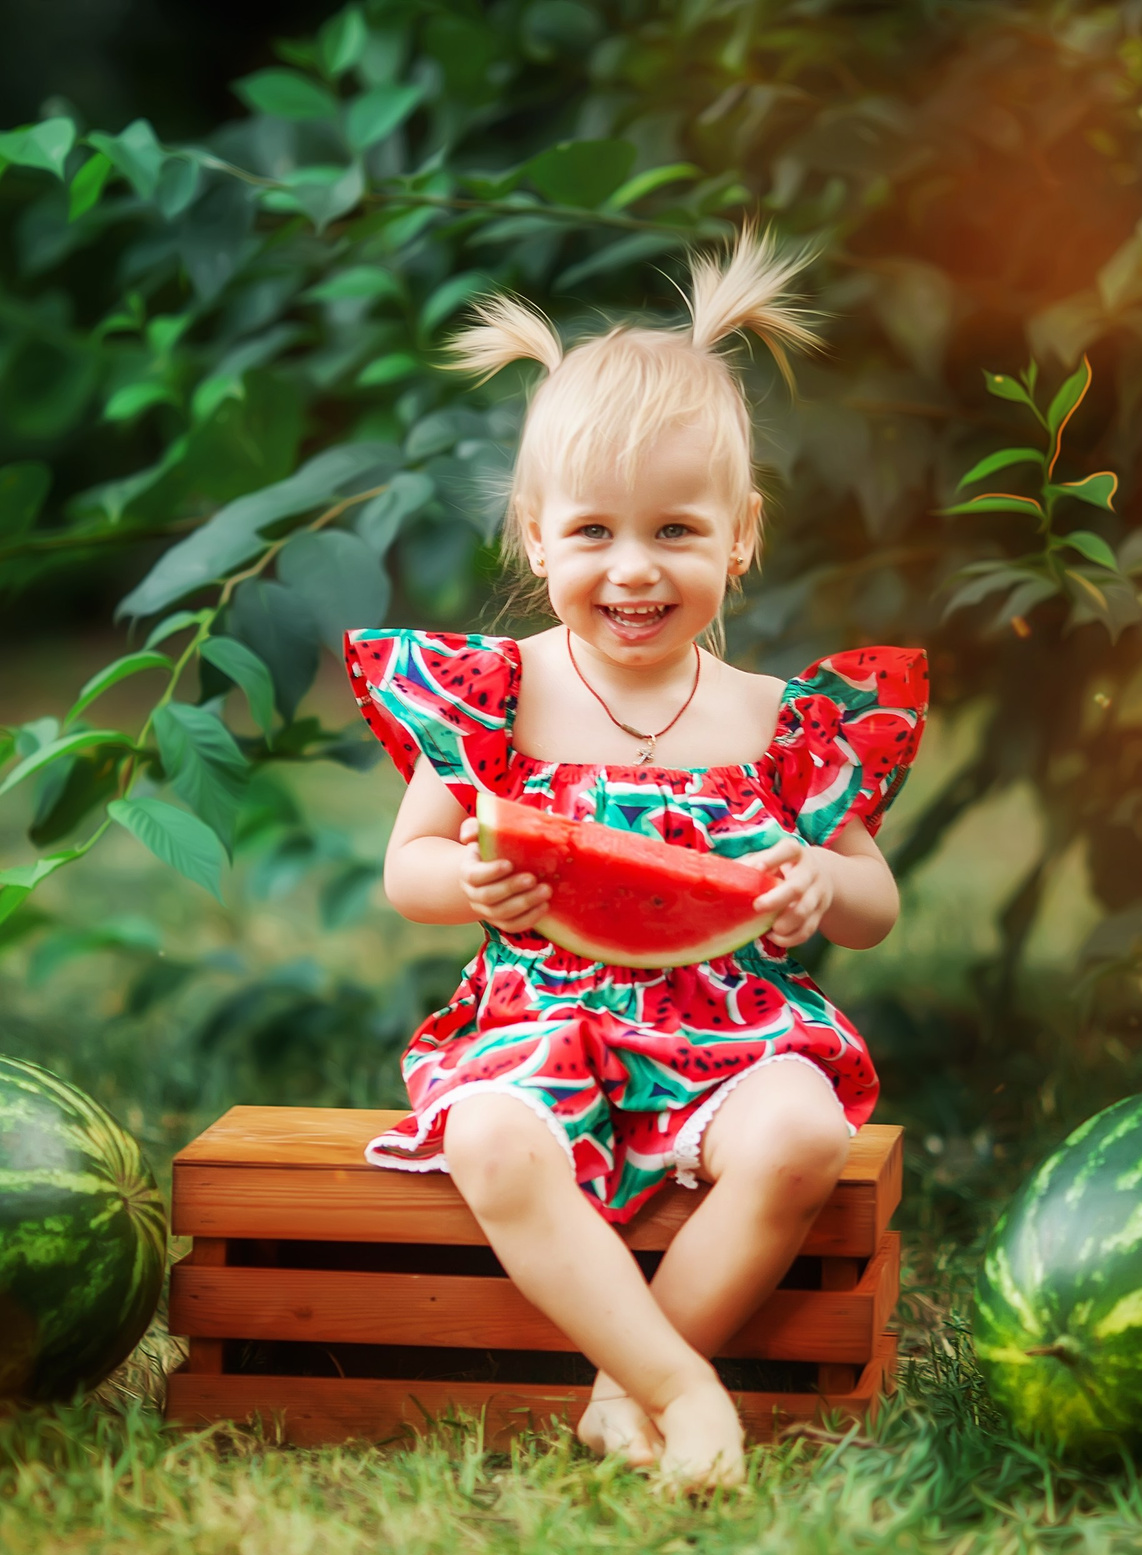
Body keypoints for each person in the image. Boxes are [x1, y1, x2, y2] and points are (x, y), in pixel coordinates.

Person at [342, 232, 926, 1490]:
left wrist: (824, 886)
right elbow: (410, 872)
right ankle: (682, 1386)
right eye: (594, 531)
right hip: (538, 1019)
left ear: (741, 536)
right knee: (494, 1146)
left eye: (675, 530)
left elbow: (875, 904)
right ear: (535, 539)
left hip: (736, 1028)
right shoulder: (493, 699)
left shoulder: (780, 718)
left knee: (802, 1139)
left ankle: (627, 1388)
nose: (633, 568)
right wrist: (472, 882)